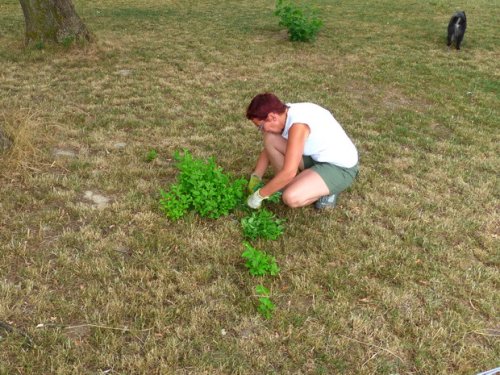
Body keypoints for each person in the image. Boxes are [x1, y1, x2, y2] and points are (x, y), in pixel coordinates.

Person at [245, 93, 359, 210]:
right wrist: (256, 176)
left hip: (339, 168)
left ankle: (326, 191)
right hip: (317, 156)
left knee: (290, 197)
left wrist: (259, 195)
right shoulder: (284, 113)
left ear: (272, 117)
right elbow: (269, 147)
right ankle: (294, 183)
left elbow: (289, 172)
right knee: (270, 138)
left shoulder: (298, 126)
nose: (262, 130)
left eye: (261, 126)